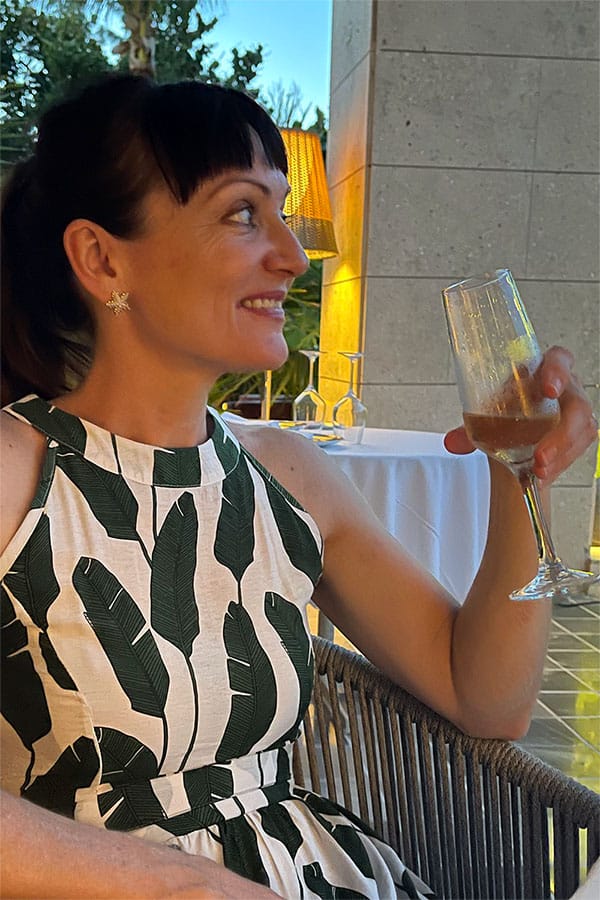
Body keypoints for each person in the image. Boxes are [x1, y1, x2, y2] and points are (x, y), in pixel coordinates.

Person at [0, 73, 596, 900]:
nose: (290, 252)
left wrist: (519, 473)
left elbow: (487, 699)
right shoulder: (18, 469)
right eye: (244, 212)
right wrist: (194, 885)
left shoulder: (284, 472)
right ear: (102, 258)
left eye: (282, 210)